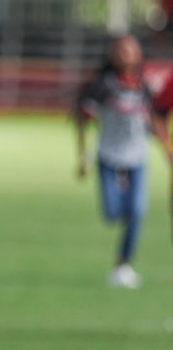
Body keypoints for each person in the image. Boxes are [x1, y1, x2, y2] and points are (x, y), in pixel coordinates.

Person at [74, 34, 171, 289]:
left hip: (137, 158)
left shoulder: (144, 87)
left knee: (138, 211)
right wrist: (82, 156)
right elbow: (82, 118)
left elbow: (153, 121)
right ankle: (122, 213)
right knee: (113, 213)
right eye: (121, 50)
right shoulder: (103, 86)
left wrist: (166, 149)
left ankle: (122, 265)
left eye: (131, 50)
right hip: (109, 157)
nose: (126, 55)